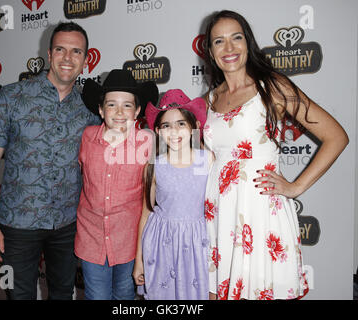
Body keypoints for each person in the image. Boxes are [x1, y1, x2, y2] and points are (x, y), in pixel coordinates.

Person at [202, 10, 349, 300]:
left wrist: (295, 187)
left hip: (259, 213)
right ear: (210, 51)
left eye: (236, 38)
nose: (229, 48)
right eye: (219, 41)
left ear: (248, 42)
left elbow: (336, 136)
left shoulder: (273, 86)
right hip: (219, 215)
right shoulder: (211, 97)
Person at [0, 22, 101, 300]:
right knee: (16, 295)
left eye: (76, 51)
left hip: (68, 227)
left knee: (62, 294)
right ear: (48, 53)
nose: (68, 58)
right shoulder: (11, 97)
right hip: (16, 227)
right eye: (60, 49)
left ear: (85, 59)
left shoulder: (91, 110)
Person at [75, 69, 158, 300]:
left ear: (138, 111)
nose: (119, 112)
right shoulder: (87, 137)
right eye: (111, 105)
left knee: (124, 296)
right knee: (96, 296)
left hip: (130, 240)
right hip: (92, 237)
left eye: (127, 105)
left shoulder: (148, 141)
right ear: (101, 110)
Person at [133, 89, 213, 300]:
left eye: (181, 124)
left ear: (195, 127)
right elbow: (145, 214)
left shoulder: (209, 160)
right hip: (161, 246)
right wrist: (138, 261)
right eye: (166, 125)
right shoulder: (154, 166)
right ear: (158, 131)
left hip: (197, 246)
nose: (174, 131)